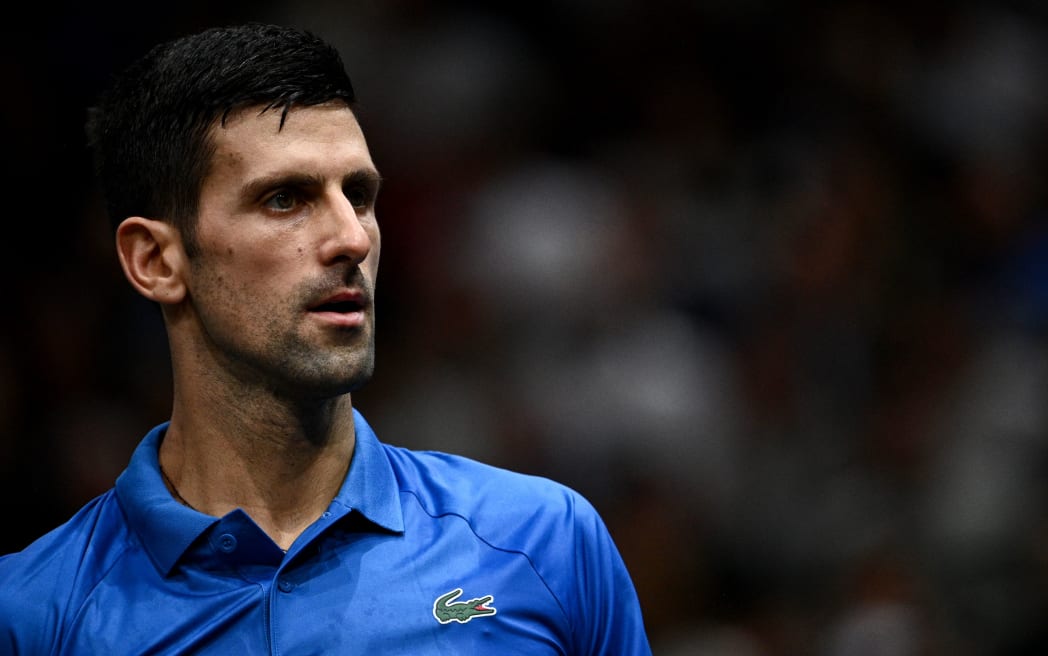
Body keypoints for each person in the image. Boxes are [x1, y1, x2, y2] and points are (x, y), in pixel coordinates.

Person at [0, 22, 651, 655]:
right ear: (156, 261)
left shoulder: (545, 545)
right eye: (285, 198)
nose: (353, 238)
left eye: (360, 195)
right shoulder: (32, 615)